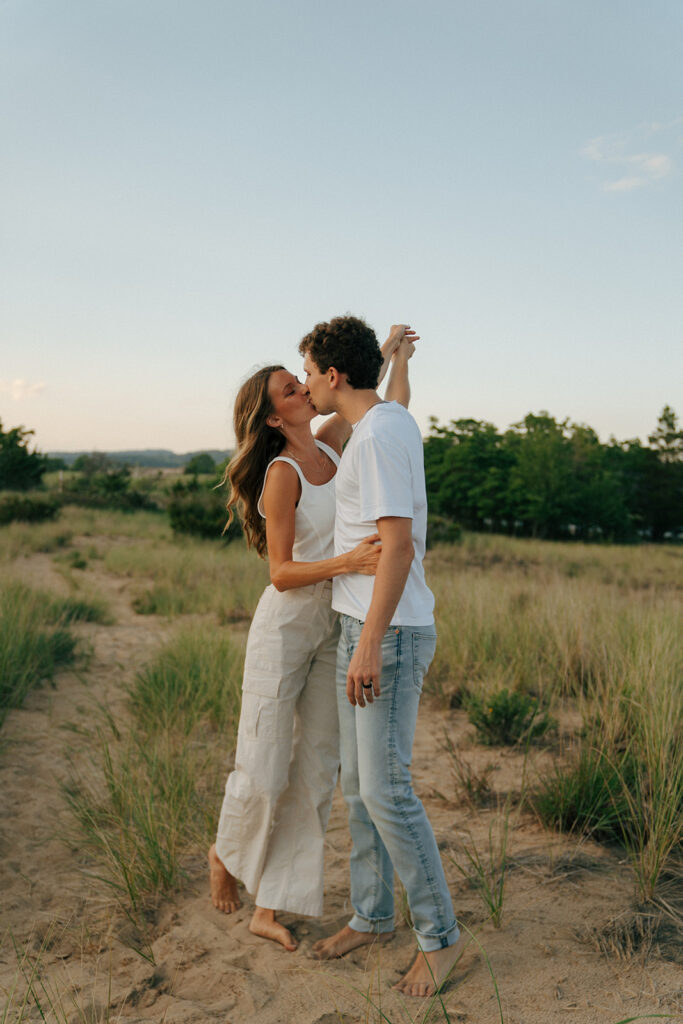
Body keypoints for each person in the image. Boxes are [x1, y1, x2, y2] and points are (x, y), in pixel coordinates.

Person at [209, 325, 416, 952]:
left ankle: (270, 904)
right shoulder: (280, 473)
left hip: (334, 627)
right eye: (286, 386)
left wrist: (387, 357)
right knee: (265, 765)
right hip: (286, 626)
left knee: (317, 767)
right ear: (274, 416)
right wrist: (345, 564)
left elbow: (377, 405)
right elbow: (279, 572)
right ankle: (225, 855)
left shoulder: (330, 443)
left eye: (299, 377)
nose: (300, 384)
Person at [299, 315, 466, 997]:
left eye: (308, 372)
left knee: (386, 790)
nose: (306, 385)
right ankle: (371, 916)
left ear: (333, 375)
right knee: (358, 788)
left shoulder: (375, 439)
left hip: (385, 634)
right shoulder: (383, 421)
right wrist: (397, 358)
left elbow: (397, 546)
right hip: (360, 627)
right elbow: (393, 400)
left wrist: (369, 642)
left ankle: (441, 938)